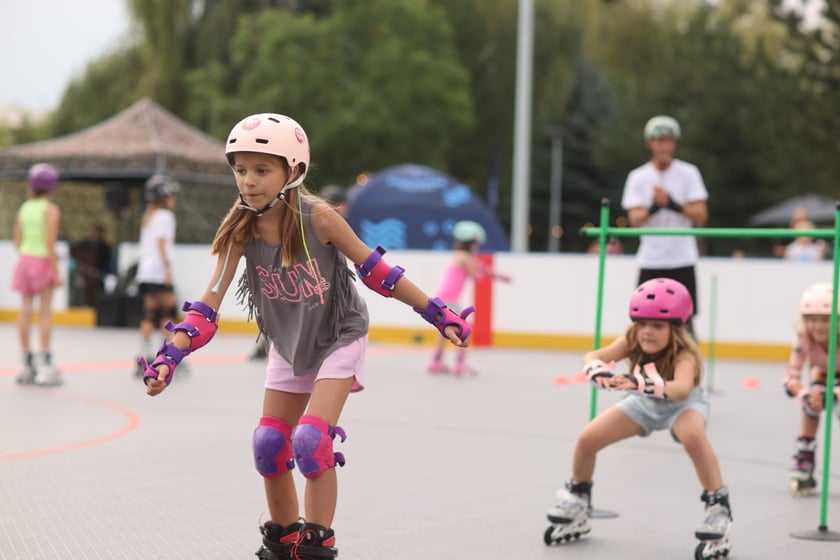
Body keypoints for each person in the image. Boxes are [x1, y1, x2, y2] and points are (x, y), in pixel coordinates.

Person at [139, 113, 473, 559]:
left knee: (311, 441)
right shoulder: (240, 229)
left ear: (292, 170)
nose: (248, 181)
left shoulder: (319, 218)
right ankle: (282, 539)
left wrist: (437, 312)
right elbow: (208, 304)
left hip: (339, 336)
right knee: (269, 444)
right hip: (288, 342)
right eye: (241, 170)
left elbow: (377, 271)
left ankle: (317, 542)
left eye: (262, 170)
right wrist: (169, 357)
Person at [545, 278, 732, 558]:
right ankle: (578, 498)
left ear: (676, 329)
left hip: (683, 406)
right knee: (587, 440)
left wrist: (637, 382)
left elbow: (681, 389)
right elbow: (593, 355)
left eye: (657, 326)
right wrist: (597, 370)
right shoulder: (633, 340)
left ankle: (718, 508)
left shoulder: (685, 356)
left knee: (693, 437)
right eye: (642, 323)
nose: (647, 332)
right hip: (644, 403)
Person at [621, 115, 708, 335]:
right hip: (651, 258)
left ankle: (687, 359)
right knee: (644, 320)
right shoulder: (638, 176)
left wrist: (673, 205)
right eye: (658, 141)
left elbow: (701, 215)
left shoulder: (689, 173)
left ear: (674, 144)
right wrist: (654, 207)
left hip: (682, 258)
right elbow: (634, 220)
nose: (663, 147)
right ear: (649, 143)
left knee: (685, 324)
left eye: (668, 141)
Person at [427, 220, 511, 375]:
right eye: (476, 244)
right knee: (463, 328)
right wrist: (484, 273)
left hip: (442, 297)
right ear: (472, 244)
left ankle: (436, 361)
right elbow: (477, 276)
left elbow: (480, 267)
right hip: (450, 299)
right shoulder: (466, 258)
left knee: (444, 330)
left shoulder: (460, 256)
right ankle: (460, 363)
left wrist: (498, 276)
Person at [781, 282, 840, 497]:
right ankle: (805, 453)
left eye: (825, 320)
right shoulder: (803, 338)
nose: (818, 326)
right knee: (810, 405)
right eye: (812, 319)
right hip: (822, 374)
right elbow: (792, 373)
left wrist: (833, 395)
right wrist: (803, 393)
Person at [12, 163, 64, 386]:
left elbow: (17, 241)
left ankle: (25, 362)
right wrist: (56, 271)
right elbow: (50, 242)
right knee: (44, 312)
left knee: (25, 309)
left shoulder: (24, 207)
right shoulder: (50, 209)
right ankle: (44, 363)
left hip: (25, 259)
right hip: (42, 260)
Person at [134, 174, 180, 377]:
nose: (174, 198)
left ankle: (143, 354)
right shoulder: (165, 216)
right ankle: (168, 356)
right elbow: (161, 242)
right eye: (171, 195)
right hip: (159, 271)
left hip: (146, 272)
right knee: (168, 311)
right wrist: (168, 267)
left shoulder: (149, 216)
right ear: (162, 196)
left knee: (149, 313)